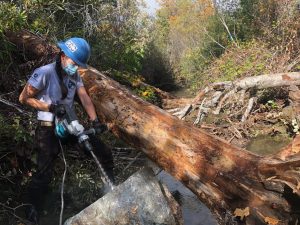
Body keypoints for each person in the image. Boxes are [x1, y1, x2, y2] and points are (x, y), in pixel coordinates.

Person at [19, 37, 115, 224]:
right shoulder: (44, 73)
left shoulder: (74, 75)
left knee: (101, 151)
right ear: (63, 56)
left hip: (69, 125)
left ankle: (111, 190)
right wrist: (51, 108)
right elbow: (23, 98)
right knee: (44, 172)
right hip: (48, 127)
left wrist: (94, 122)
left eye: (79, 65)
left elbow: (84, 97)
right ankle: (32, 208)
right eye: (74, 63)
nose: (75, 67)